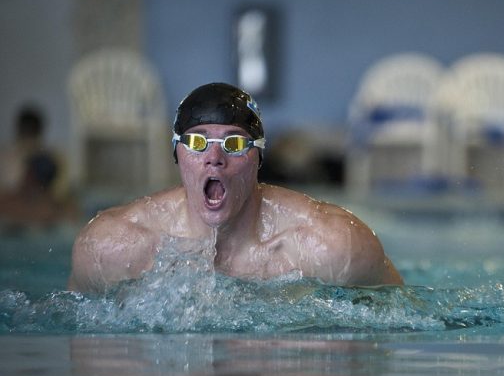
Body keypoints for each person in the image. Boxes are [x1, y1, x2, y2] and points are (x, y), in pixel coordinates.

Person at [68, 82, 403, 293]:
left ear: (258, 157)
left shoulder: (333, 246)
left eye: (234, 143)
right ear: (177, 154)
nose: (214, 158)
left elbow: (402, 323)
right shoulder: (112, 247)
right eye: (197, 142)